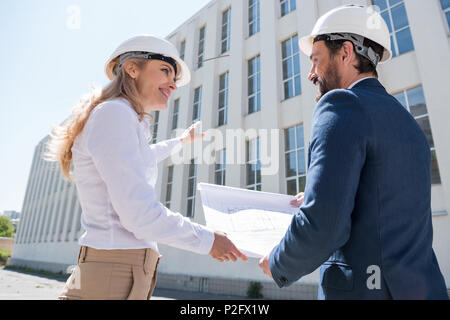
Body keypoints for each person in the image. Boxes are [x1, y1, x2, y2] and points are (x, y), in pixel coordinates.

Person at [258, 5, 448, 299]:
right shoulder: (409, 124)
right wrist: (317, 194)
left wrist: (279, 261)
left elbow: (325, 225)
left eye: (316, 60)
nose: (311, 74)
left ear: (346, 53)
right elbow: (381, 204)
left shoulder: (341, 105)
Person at [45, 34, 247, 300]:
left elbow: (143, 157)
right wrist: (208, 240)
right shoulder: (114, 114)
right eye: (165, 71)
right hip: (112, 273)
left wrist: (181, 141)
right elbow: (138, 215)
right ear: (132, 69)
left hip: (120, 270)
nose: (173, 84)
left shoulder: (122, 117)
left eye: (174, 78)